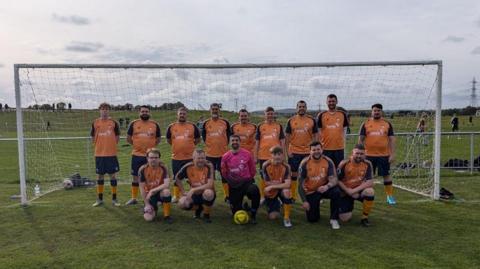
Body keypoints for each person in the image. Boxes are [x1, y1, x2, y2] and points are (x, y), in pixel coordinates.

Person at [298, 141, 342, 229]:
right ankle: (315, 203)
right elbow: (300, 184)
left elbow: (334, 179)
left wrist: (327, 186)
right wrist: (305, 201)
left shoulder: (328, 161)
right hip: (311, 191)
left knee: (336, 191)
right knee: (312, 219)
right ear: (310, 151)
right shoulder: (304, 163)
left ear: (322, 150)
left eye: (318, 149)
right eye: (313, 150)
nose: (316, 151)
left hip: (324, 188)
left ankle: (334, 219)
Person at [359, 103, 396, 205]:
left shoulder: (387, 124)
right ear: (372, 112)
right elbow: (360, 140)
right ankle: (366, 195)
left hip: (383, 155)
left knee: (386, 175)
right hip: (368, 155)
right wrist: (360, 153)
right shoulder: (365, 123)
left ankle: (389, 196)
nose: (376, 112)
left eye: (378, 110)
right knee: (367, 176)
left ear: (381, 112)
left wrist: (392, 154)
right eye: (374, 110)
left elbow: (392, 139)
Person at [125, 105, 161, 205]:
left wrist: (150, 149)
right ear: (139, 113)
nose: (144, 113)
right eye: (142, 111)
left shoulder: (154, 124)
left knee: (152, 177)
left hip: (150, 156)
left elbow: (158, 139)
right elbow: (128, 138)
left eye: (146, 111)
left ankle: (152, 197)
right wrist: (137, 146)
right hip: (136, 155)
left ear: (149, 113)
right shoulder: (134, 123)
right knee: (135, 177)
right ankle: (134, 198)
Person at [221, 135, 259, 224]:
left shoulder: (247, 154)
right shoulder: (225, 156)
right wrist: (231, 181)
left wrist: (248, 179)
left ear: (239, 142)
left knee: (254, 190)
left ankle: (253, 214)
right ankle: (243, 206)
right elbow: (224, 172)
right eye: (232, 140)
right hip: (234, 184)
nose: (234, 142)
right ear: (230, 143)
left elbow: (252, 169)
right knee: (235, 211)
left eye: (236, 140)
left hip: (246, 182)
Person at [166, 107, 201, 202]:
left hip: (190, 157)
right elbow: (169, 140)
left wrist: (189, 146)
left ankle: (193, 194)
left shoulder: (192, 126)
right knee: (177, 177)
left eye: (184, 114)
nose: (182, 115)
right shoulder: (171, 126)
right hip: (176, 157)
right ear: (177, 115)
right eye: (180, 114)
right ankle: (176, 196)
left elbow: (198, 139)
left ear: (186, 115)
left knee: (192, 177)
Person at [285, 100, 318, 201]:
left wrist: (315, 151)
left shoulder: (312, 120)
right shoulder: (291, 120)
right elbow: (287, 138)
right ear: (297, 108)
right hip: (294, 152)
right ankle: (293, 196)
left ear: (306, 108)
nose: (301, 108)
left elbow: (315, 136)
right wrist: (287, 151)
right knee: (294, 175)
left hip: (308, 153)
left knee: (310, 174)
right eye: (300, 106)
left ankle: (310, 194)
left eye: (303, 106)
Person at [90, 103, 121, 207]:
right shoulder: (95, 122)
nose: (104, 111)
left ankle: (114, 199)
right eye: (102, 109)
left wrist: (110, 145)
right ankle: (99, 199)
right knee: (99, 176)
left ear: (109, 111)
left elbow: (117, 137)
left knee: (113, 176)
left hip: (111, 154)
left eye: (106, 109)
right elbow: (93, 137)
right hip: (99, 154)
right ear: (99, 110)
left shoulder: (113, 123)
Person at [337, 144, 375, 227]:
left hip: (357, 191)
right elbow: (337, 181)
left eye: (361, 154)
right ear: (352, 153)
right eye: (357, 153)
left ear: (364, 154)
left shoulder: (368, 164)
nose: (359, 156)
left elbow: (370, 182)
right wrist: (348, 191)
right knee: (344, 219)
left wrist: (354, 191)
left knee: (370, 191)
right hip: (345, 191)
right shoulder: (344, 163)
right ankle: (343, 207)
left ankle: (364, 218)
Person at [176, 149, 215, 223]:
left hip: (206, 192)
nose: (201, 160)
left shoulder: (209, 165)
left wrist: (193, 190)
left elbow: (210, 185)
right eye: (198, 158)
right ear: (193, 158)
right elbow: (177, 178)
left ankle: (206, 215)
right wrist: (183, 191)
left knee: (208, 193)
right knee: (182, 203)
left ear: (205, 158)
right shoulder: (188, 166)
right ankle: (199, 208)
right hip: (195, 195)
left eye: (203, 158)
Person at [255, 106, 285, 201]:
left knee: (278, 176)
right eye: (268, 114)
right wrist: (255, 156)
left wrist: (283, 155)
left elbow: (282, 141)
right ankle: (263, 196)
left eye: (271, 114)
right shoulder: (260, 126)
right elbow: (257, 142)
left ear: (274, 114)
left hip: (276, 156)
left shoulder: (278, 126)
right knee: (264, 177)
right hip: (263, 155)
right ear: (265, 115)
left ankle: (278, 196)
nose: (270, 115)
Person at [202, 103, 231, 201]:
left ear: (219, 110)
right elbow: (204, 137)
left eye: (216, 109)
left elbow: (228, 136)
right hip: (210, 155)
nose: (215, 110)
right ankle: (212, 194)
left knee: (225, 175)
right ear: (210, 110)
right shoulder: (206, 123)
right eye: (213, 109)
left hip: (223, 155)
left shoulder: (225, 123)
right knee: (210, 176)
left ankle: (227, 195)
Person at [261, 146, 293, 228]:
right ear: (271, 155)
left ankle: (286, 218)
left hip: (278, 189)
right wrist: (278, 184)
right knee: (273, 217)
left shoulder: (286, 166)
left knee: (287, 191)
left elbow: (288, 184)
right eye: (275, 154)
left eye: (280, 154)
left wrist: (272, 186)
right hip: (272, 191)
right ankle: (277, 203)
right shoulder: (265, 165)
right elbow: (267, 183)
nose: (278, 157)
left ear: (283, 155)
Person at [138, 148, 172, 223]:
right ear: (147, 158)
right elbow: (142, 188)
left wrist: (153, 190)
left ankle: (167, 216)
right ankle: (153, 207)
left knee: (166, 192)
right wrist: (147, 204)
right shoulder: (142, 169)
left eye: (156, 157)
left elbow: (166, 184)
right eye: (151, 157)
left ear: (159, 158)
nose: (153, 159)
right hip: (149, 195)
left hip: (160, 192)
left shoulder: (164, 167)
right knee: (148, 218)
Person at [317, 94, 349, 168]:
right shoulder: (321, 115)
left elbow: (344, 131)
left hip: (339, 148)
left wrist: (343, 144)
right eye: (329, 101)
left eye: (333, 101)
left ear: (337, 102)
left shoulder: (342, 114)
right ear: (326, 102)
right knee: (326, 169)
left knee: (339, 169)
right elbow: (318, 132)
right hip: (325, 148)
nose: (331, 103)